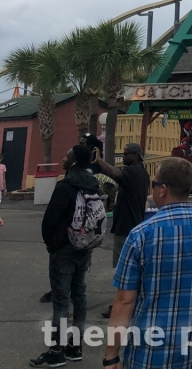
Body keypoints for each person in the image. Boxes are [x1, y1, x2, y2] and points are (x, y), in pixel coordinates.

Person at [104, 156, 192, 369]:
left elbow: (124, 300)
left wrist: (111, 356)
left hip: (148, 351)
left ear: (162, 189)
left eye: (154, 184)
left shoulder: (140, 234)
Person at [29, 145, 103, 368]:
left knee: (61, 302)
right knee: (79, 296)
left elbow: (50, 220)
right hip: (84, 247)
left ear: (73, 162)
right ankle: (75, 346)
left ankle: (56, 351)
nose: (63, 158)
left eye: (67, 156)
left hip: (63, 250)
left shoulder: (65, 187)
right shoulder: (93, 185)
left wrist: (52, 245)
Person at [92, 142, 150, 317]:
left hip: (127, 229)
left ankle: (123, 305)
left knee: (124, 270)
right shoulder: (142, 173)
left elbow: (116, 174)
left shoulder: (133, 172)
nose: (123, 157)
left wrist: (99, 161)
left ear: (136, 155)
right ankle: (133, 302)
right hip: (134, 226)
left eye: (126, 154)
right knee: (132, 269)